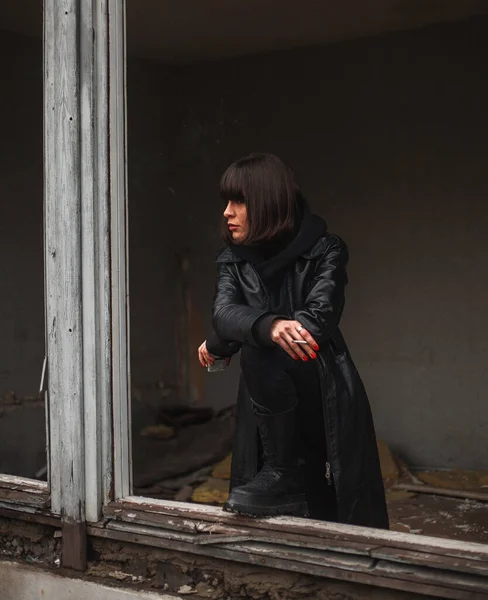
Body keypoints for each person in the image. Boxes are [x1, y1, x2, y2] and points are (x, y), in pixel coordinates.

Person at [198, 153, 389, 528]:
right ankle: (281, 473)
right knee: (268, 507)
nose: (226, 212)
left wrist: (230, 338)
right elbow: (223, 313)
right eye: (226, 201)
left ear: (267, 203)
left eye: (238, 201)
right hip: (268, 401)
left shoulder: (327, 250)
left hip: (321, 389)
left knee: (333, 508)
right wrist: (264, 327)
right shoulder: (233, 259)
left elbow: (315, 322)